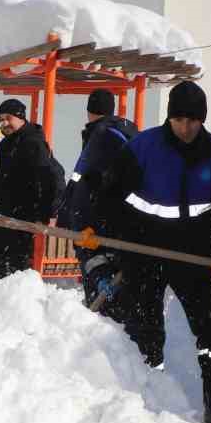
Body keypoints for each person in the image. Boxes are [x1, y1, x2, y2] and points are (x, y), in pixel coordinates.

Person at [84, 79, 211, 423]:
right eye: (179, 120)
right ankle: (146, 401)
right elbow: (111, 193)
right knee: (145, 329)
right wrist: (96, 228)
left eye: (193, 121)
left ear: (203, 120)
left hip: (192, 253)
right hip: (144, 249)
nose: (185, 128)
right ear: (169, 118)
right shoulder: (144, 147)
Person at [57, 87, 138, 311]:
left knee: (99, 278)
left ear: (89, 111)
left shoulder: (100, 135)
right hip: (125, 223)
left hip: (95, 222)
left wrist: (71, 215)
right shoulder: (129, 133)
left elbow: (83, 180)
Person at [0, 98, 59, 283]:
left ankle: (11, 307)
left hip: (21, 218)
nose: (4, 123)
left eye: (8, 118)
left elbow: (49, 178)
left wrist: (48, 213)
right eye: (1, 119)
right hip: (1, 216)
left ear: (20, 117)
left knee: (14, 270)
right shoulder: (6, 144)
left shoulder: (33, 142)